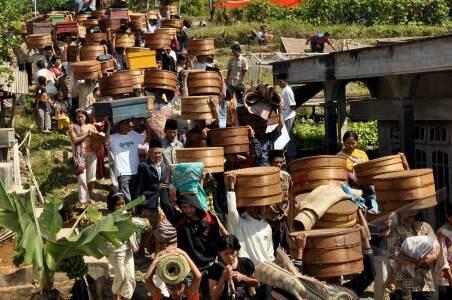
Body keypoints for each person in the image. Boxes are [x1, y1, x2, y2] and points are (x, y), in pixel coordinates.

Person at [224, 173, 273, 299]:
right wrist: (231, 188)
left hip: (265, 276)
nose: (254, 207)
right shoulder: (240, 223)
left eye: (257, 204)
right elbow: (232, 211)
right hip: (245, 275)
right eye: (250, 203)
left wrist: (272, 276)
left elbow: (270, 255)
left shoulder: (266, 226)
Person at [387, 209, 440, 299]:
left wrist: (433, 256)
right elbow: (394, 253)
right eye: (408, 210)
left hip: (427, 280)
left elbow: (436, 245)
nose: (411, 213)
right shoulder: (395, 231)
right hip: (407, 282)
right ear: (401, 212)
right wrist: (416, 262)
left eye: (413, 210)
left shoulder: (425, 226)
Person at [208, 235, 260, 300]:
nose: (230, 257)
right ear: (219, 253)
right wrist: (223, 278)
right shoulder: (214, 269)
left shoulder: (246, 263)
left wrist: (243, 277)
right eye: (226, 254)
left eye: (232, 253)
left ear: (237, 251)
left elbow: (257, 284)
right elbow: (214, 297)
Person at [105, 119, 146, 201]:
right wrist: (109, 125)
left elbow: (146, 140)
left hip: (135, 170)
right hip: (122, 172)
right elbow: (106, 142)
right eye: (122, 124)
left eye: (126, 124)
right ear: (118, 125)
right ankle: (129, 211)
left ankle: (134, 210)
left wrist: (147, 123)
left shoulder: (134, 135)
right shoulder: (113, 137)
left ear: (129, 125)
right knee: (127, 197)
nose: (125, 126)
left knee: (135, 194)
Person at [106, 192, 136, 300]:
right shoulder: (109, 219)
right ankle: (115, 295)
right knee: (121, 277)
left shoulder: (126, 214)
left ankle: (125, 297)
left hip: (128, 249)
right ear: (112, 205)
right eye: (118, 204)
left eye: (123, 203)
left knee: (131, 278)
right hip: (117, 251)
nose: (121, 206)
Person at [70, 109, 99, 208]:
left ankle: (89, 197)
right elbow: (75, 140)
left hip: (92, 154)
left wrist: (96, 136)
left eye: (82, 116)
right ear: (75, 118)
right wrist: (87, 134)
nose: (80, 118)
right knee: (82, 179)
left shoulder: (91, 126)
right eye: (78, 117)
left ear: (85, 116)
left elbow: (97, 138)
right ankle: (82, 201)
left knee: (91, 179)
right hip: (79, 157)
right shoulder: (73, 127)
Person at [266, 150, 292, 252]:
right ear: (270, 162)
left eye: (281, 162)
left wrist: (287, 210)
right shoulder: (264, 177)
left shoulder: (286, 176)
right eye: (276, 162)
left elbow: (290, 196)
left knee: (287, 244)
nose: (279, 165)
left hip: (282, 217)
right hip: (268, 218)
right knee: (270, 247)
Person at [276, 73, 297, 159]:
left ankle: (291, 156)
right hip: (285, 116)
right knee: (287, 136)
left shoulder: (288, 90)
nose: (279, 83)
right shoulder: (283, 89)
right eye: (278, 82)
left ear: (285, 81)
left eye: (280, 81)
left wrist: (284, 109)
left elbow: (293, 105)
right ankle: (290, 155)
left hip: (288, 116)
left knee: (287, 136)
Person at [435, 205, 452, 299]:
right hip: (449, 270)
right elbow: (442, 254)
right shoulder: (442, 232)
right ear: (448, 217)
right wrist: (448, 273)